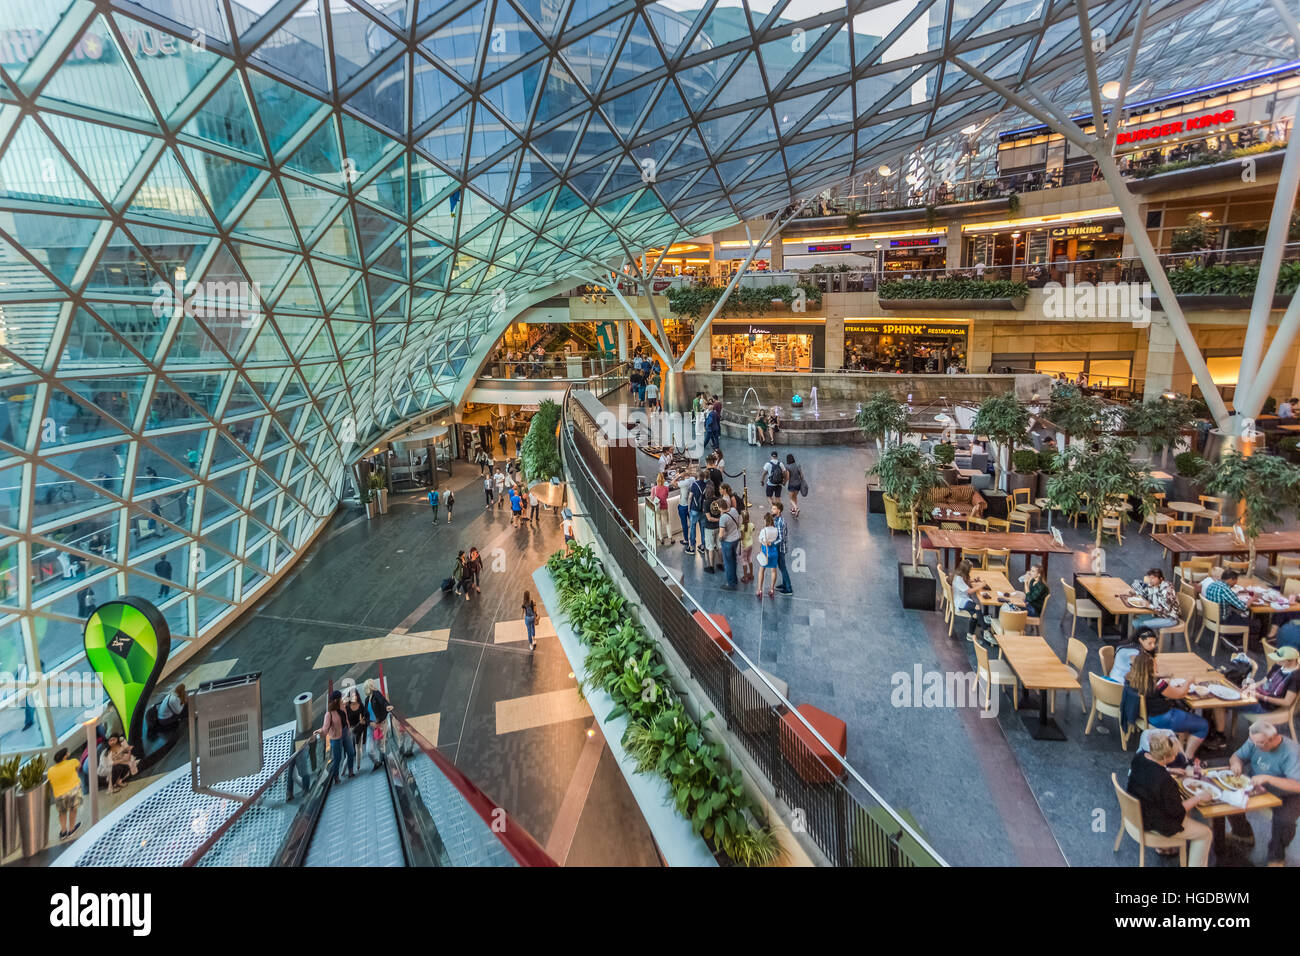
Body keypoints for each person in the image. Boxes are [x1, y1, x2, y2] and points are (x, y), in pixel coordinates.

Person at [1125, 732, 1213, 866]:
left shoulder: (1140, 757)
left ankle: (1164, 848)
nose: (1176, 756)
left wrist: (1169, 770)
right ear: (1166, 757)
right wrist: (1199, 797)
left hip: (1136, 815)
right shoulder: (1163, 780)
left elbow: (1151, 771)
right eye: (1174, 754)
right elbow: (1176, 811)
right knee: (1205, 833)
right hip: (1153, 824)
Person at [1227, 721, 1300, 864]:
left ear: (1274, 738)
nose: (1255, 746)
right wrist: (1236, 764)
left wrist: (1268, 778)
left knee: (1284, 821)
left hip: (1288, 793)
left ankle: (1276, 856)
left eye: (1260, 743)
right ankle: (1242, 833)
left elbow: (1298, 785)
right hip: (1256, 782)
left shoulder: (1292, 752)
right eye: (1253, 742)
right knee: (1227, 796)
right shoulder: (1255, 740)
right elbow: (1237, 756)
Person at [1126, 653, 1211, 760]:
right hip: (1163, 718)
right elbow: (1180, 693)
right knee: (1203, 725)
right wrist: (1188, 681)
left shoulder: (1131, 678)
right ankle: (1187, 757)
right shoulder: (1158, 684)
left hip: (1146, 715)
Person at [1241, 645, 1300, 716]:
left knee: (1232, 703)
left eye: (1279, 660)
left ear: (1289, 661)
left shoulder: (1295, 677)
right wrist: (1250, 687)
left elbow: (1287, 702)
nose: (1277, 661)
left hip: (1268, 707)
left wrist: (1262, 697)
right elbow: (1263, 681)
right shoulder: (1279, 665)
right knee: (1233, 697)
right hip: (1259, 696)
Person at [316, 691, 353, 782]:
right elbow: (325, 728)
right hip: (336, 738)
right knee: (337, 758)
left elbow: (346, 718)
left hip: (345, 733)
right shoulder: (329, 714)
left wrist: (348, 728)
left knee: (351, 752)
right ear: (336, 700)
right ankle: (336, 777)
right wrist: (320, 731)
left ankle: (351, 771)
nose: (342, 699)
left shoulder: (342, 707)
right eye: (341, 698)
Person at [49, 747, 83, 839]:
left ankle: (63, 832)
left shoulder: (51, 770)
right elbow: (79, 768)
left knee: (62, 812)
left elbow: (52, 781)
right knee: (73, 809)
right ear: (65, 756)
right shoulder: (73, 761)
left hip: (59, 794)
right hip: (73, 790)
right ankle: (71, 830)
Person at [1131, 568, 1179, 632]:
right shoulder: (1152, 586)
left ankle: (1148, 640)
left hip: (1170, 618)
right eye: (1150, 578)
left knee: (1142, 625)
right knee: (1135, 621)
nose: (1151, 580)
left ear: (1161, 579)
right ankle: (1139, 640)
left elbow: (1167, 610)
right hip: (1157, 614)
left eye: (1153, 578)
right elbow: (1145, 593)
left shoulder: (1167, 591)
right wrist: (1135, 593)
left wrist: (1149, 606)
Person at [951, 559, 989, 641]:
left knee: (975, 613)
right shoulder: (958, 580)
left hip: (963, 599)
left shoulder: (959, 576)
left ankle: (970, 635)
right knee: (977, 607)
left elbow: (966, 582)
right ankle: (986, 630)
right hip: (961, 602)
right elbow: (970, 591)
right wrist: (982, 585)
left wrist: (974, 580)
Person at [362, 679, 393, 770]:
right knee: (369, 749)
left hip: (381, 724)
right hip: (371, 727)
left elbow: (383, 701)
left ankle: (384, 761)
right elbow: (365, 715)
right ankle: (377, 762)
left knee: (380, 745)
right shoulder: (367, 700)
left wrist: (387, 706)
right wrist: (370, 723)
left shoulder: (376, 694)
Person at [719, 496, 742, 590]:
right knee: (733, 560)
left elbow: (721, 534)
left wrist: (720, 539)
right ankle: (735, 579)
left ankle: (730, 583)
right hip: (736, 539)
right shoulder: (733, 510)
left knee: (728, 563)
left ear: (720, 508)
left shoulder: (723, 518)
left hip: (727, 542)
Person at [756, 513, 780, 598]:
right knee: (773, 570)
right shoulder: (776, 529)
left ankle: (759, 590)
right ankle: (772, 589)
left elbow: (760, 540)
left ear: (765, 521)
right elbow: (777, 539)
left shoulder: (764, 530)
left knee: (761, 570)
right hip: (774, 552)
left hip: (765, 552)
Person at [771, 501, 793, 595]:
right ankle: (784, 584)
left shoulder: (780, 522)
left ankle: (788, 588)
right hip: (780, 548)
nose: (772, 510)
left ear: (779, 511)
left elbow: (781, 538)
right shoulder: (777, 519)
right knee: (782, 567)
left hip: (780, 548)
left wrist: (772, 544)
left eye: (774, 509)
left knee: (783, 568)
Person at [344, 688, 368, 766]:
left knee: (358, 748)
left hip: (359, 729)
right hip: (350, 730)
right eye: (352, 696)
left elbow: (366, 716)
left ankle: (358, 765)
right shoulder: (347, 707)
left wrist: (363, 721)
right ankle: (344, 771)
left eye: (355, 695)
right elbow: (344, 720)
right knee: (350, 751)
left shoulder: (361, 705)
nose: (354, 697)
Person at [651, 472, 671, 545]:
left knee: (658, 522)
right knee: (667, 523)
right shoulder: (666, 488)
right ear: (663, 480)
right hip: (664, 506)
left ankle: (661, 539)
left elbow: (652, 498)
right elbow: (666, 497)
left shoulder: (654, 489)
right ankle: (670, 538)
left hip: (657, 508)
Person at [739, 507, 755, 584]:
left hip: (744, 545)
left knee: (744, 560)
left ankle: (745, 577)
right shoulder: (751, 524)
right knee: (749, 558)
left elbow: (742, 537)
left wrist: (738, 539)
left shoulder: (742, 527)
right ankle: (751, 574)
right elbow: (753, 529)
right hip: (750, 544)